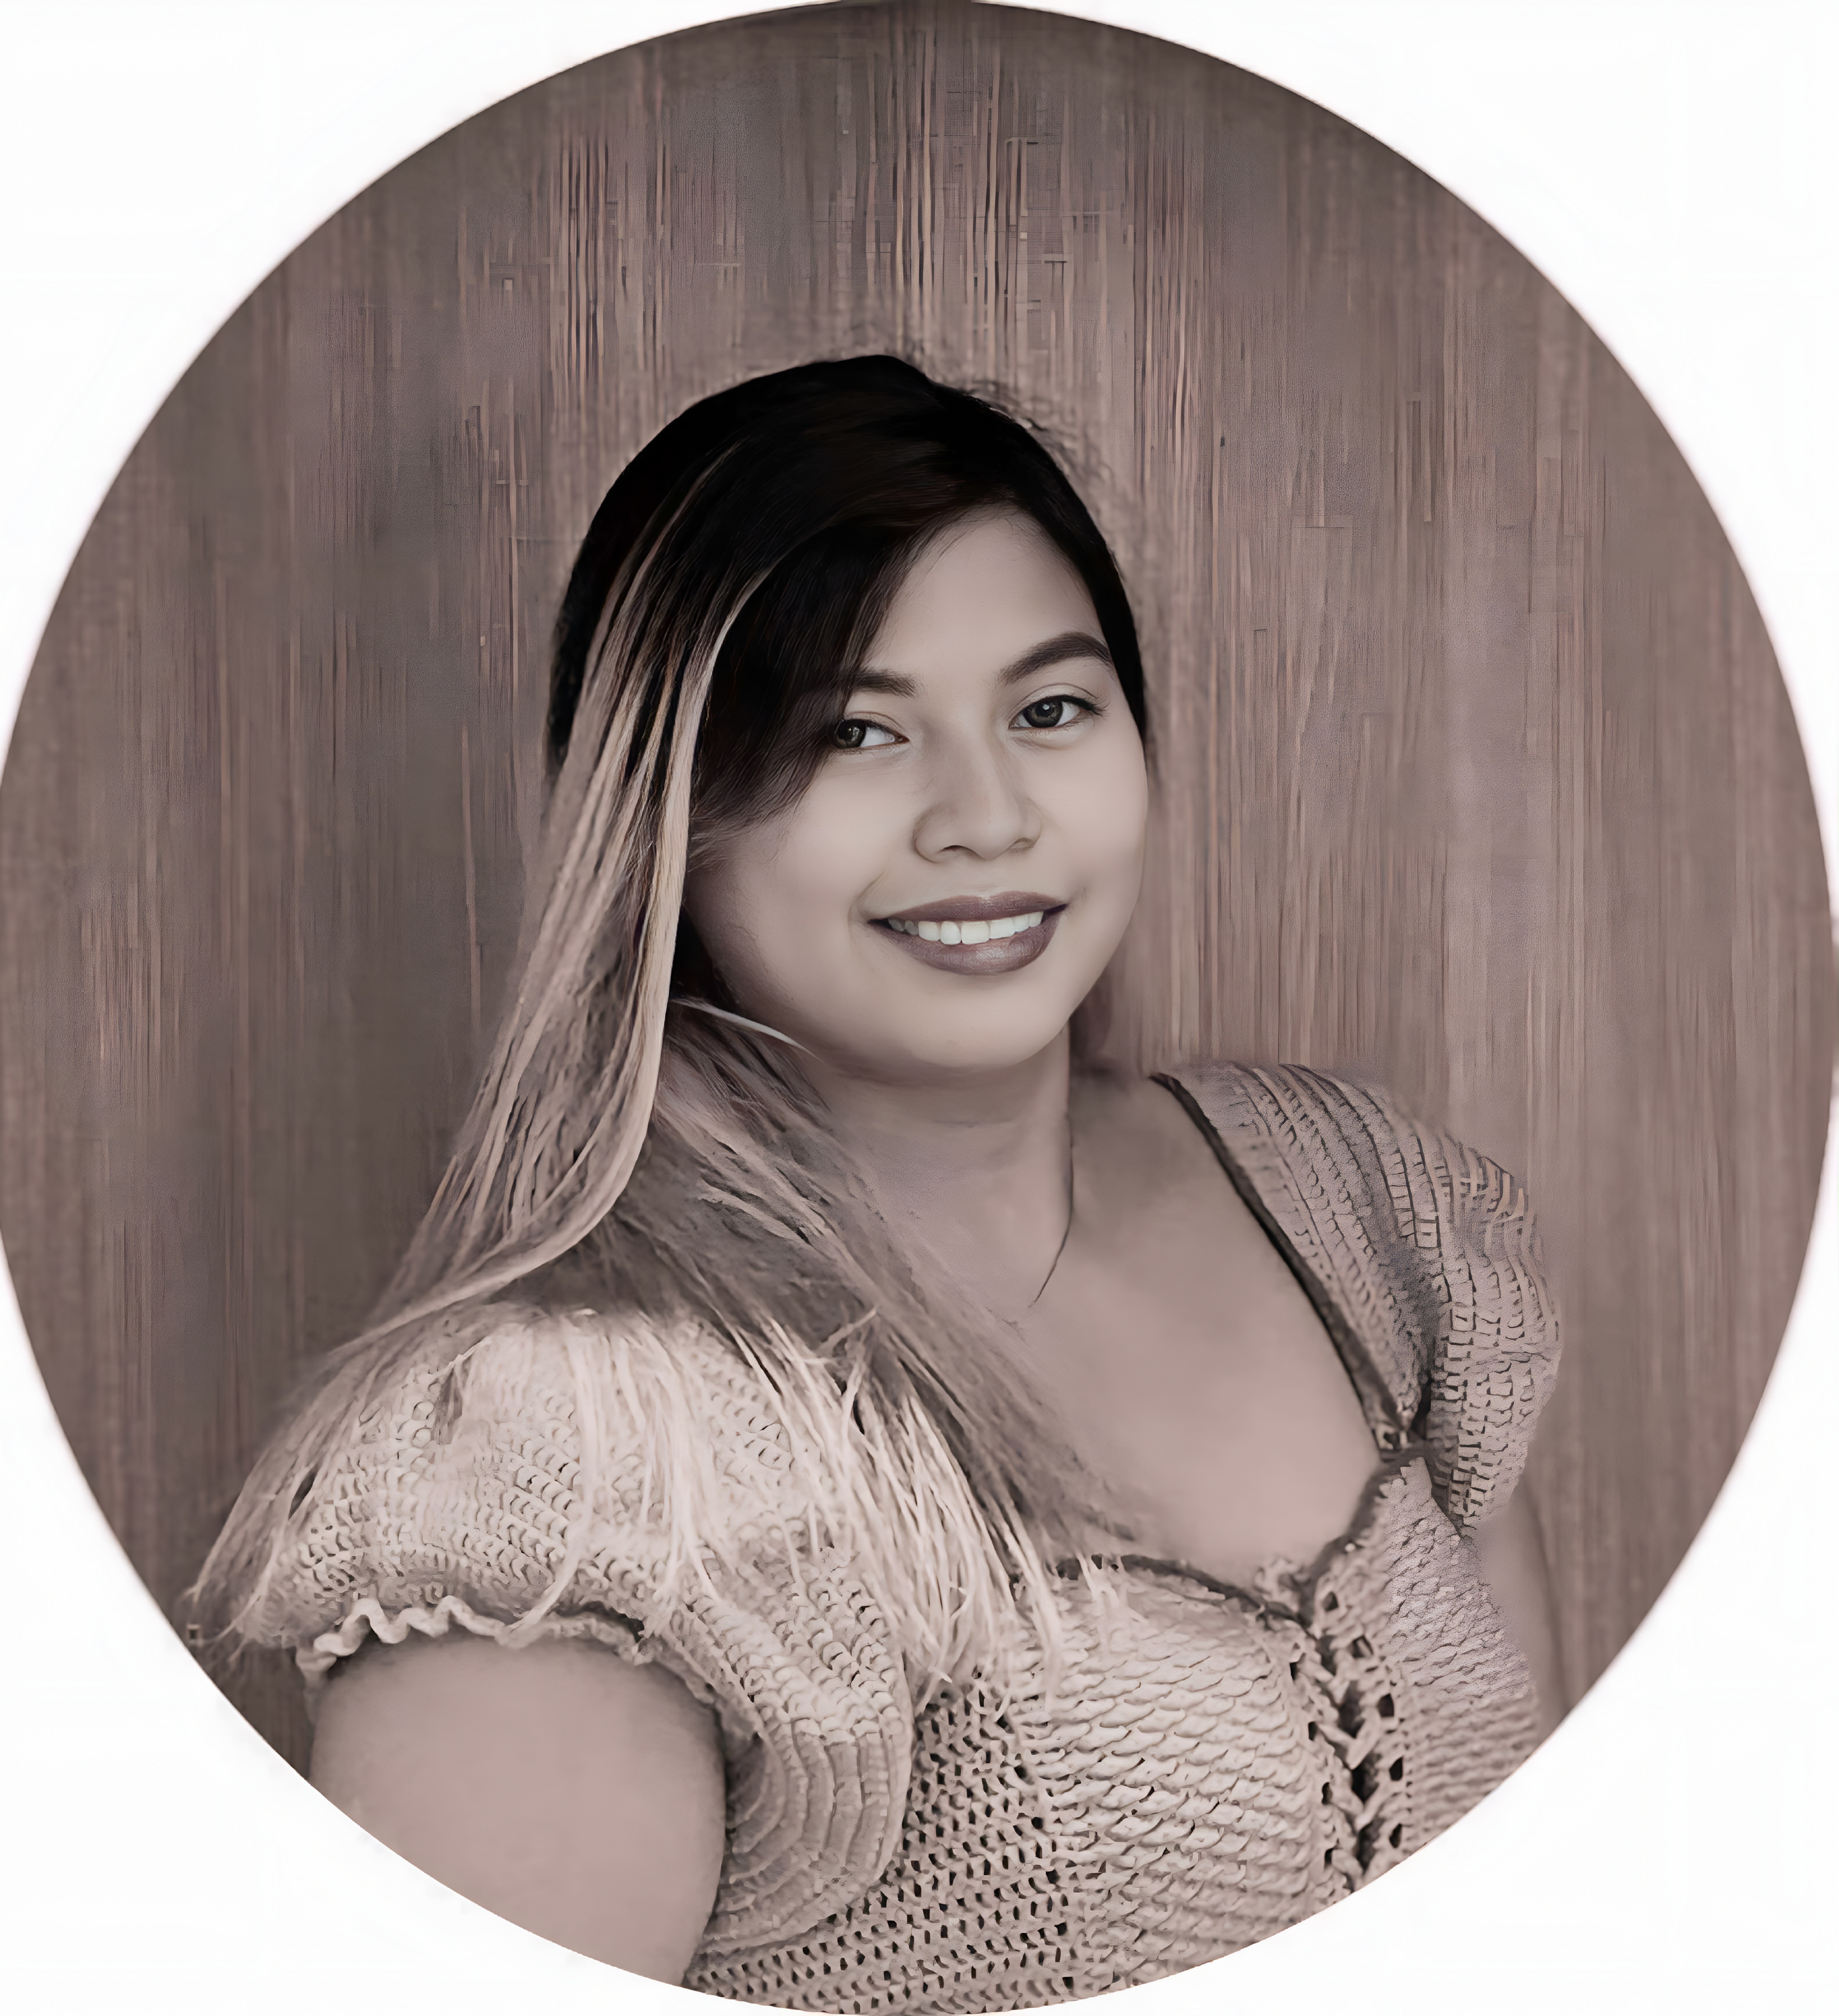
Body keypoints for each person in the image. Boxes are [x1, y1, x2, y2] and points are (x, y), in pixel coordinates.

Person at [189, 355, 1564, 2006]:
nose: (987, 818)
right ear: (675, 817)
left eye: (1051, 710)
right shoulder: (577, 1468)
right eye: (855, 732)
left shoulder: (1357, 1207)